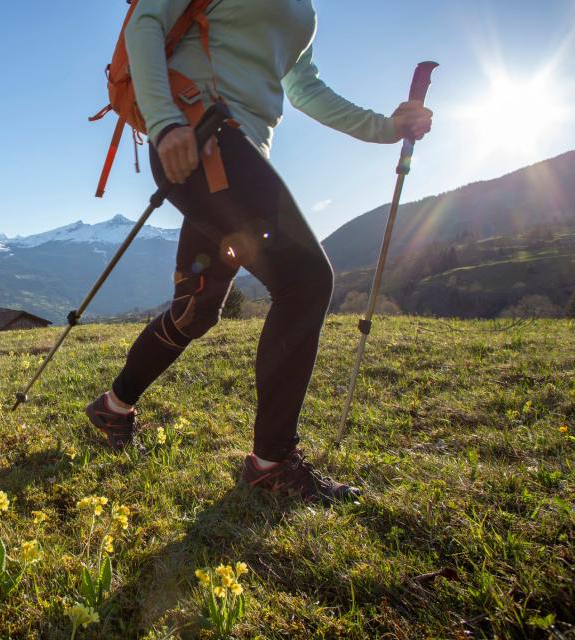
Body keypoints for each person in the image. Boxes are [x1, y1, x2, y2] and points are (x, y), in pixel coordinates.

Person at [86, 0, 432, 503]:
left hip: (237, 156)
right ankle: (272, 463)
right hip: (200, 135)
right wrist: (164, 123)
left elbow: (305, 87)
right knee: (305, 282)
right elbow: (146, 21)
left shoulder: (303, 11)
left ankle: (113, 407)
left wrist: (386, 128)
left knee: (195, 310)